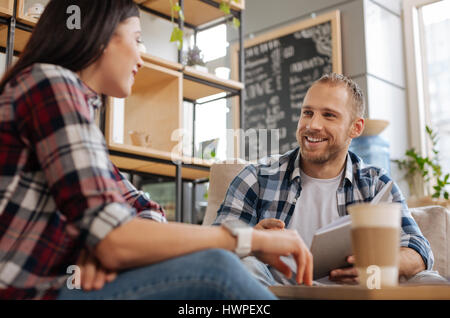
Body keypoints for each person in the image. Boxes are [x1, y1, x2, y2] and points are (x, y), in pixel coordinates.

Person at [0, 0, 314, 300]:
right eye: (137, 39)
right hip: (23, 290)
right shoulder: (51, 84)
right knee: (217, 270)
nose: (141, 56)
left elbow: (142, 208)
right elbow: (114, 237)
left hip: (55, 285)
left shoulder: (73, 104)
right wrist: (250, 240)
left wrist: (104, 245)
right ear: (101, 35)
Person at [213, 73, 447, 286]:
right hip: (275, 292)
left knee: (430, 281)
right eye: (308, 112)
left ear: (355, 128)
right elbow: (213, 252)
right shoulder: (256, 177)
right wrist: (251, 240)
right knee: (247, 266)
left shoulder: (375, 184)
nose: (312, 125)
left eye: (329, 115)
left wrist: (380, 265)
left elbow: (419, 249)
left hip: (353, 294)